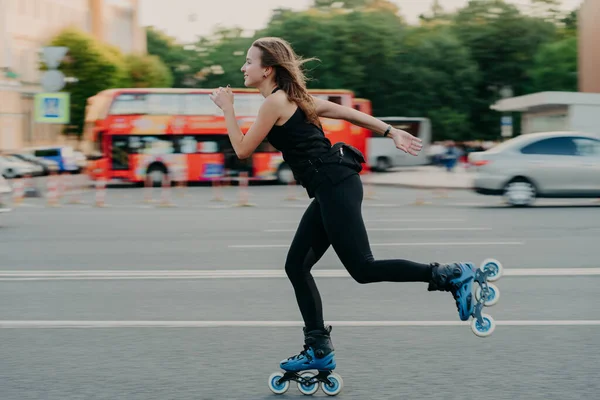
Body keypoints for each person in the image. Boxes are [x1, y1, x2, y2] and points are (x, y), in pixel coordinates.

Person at [210, 37, 477, 374]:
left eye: (249, 62)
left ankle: (450, 275)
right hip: (331, 186)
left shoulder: (276, 102)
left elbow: (243, 150)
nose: (243, 68)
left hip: (334, 184)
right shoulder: (296, 99)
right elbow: (346, 113)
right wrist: (390, 131)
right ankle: (318, 348)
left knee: (363, 268)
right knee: (296, 267)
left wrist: (228, 108)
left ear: (268, 69)